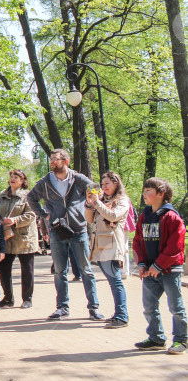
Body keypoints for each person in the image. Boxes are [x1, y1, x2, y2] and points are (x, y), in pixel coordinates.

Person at [25, 148, 105, 321]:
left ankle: (94, 308)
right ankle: (62, 307)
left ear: (66, 161)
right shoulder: (45, 181)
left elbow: (97, 191)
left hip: (78, 230)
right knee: (60, 271)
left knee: (86, 270)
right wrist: (44, 215)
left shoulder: (78, 179)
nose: (52, 162)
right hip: (56, 230)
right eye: (51, 159)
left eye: (56, 159)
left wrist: (90, 205)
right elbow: (31, 198)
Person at [132, 177, 186, 354]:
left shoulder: (172, 217)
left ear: (161, 194)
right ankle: (156, 337)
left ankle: (181, 339)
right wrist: (141, 263)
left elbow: (175, 246)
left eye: (149, 191)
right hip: (149, 271)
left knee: (176, 308)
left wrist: (158, 265)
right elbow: (138, 240)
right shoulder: (144, 216)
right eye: (144, 190)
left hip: (169, 271)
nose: (144, 194)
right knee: (149, 307)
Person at [86, 171, 131, 329]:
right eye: (102, 184)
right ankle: (118, 314)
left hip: (112, 246)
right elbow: (90, 220)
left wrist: (97, 203)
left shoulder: (122, 200)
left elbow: (113, 216)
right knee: (113, 282)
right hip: (100, 245)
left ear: (116, 183)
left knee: (116, 281)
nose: (104, 187)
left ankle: (122, 316)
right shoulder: (102, 201)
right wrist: (89, 205)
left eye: (107, 184)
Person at [0, 170, 37, 309]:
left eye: (16, 177)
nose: (12, 179)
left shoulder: (28, 196)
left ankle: (27, 299)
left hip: (24, 239)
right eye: (11, 176)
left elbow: (32, 214)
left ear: (23, 180)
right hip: (6, 238)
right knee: (4, 269)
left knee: (27, 270)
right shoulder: (2, 195)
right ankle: (8, 298)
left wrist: (15, 220)